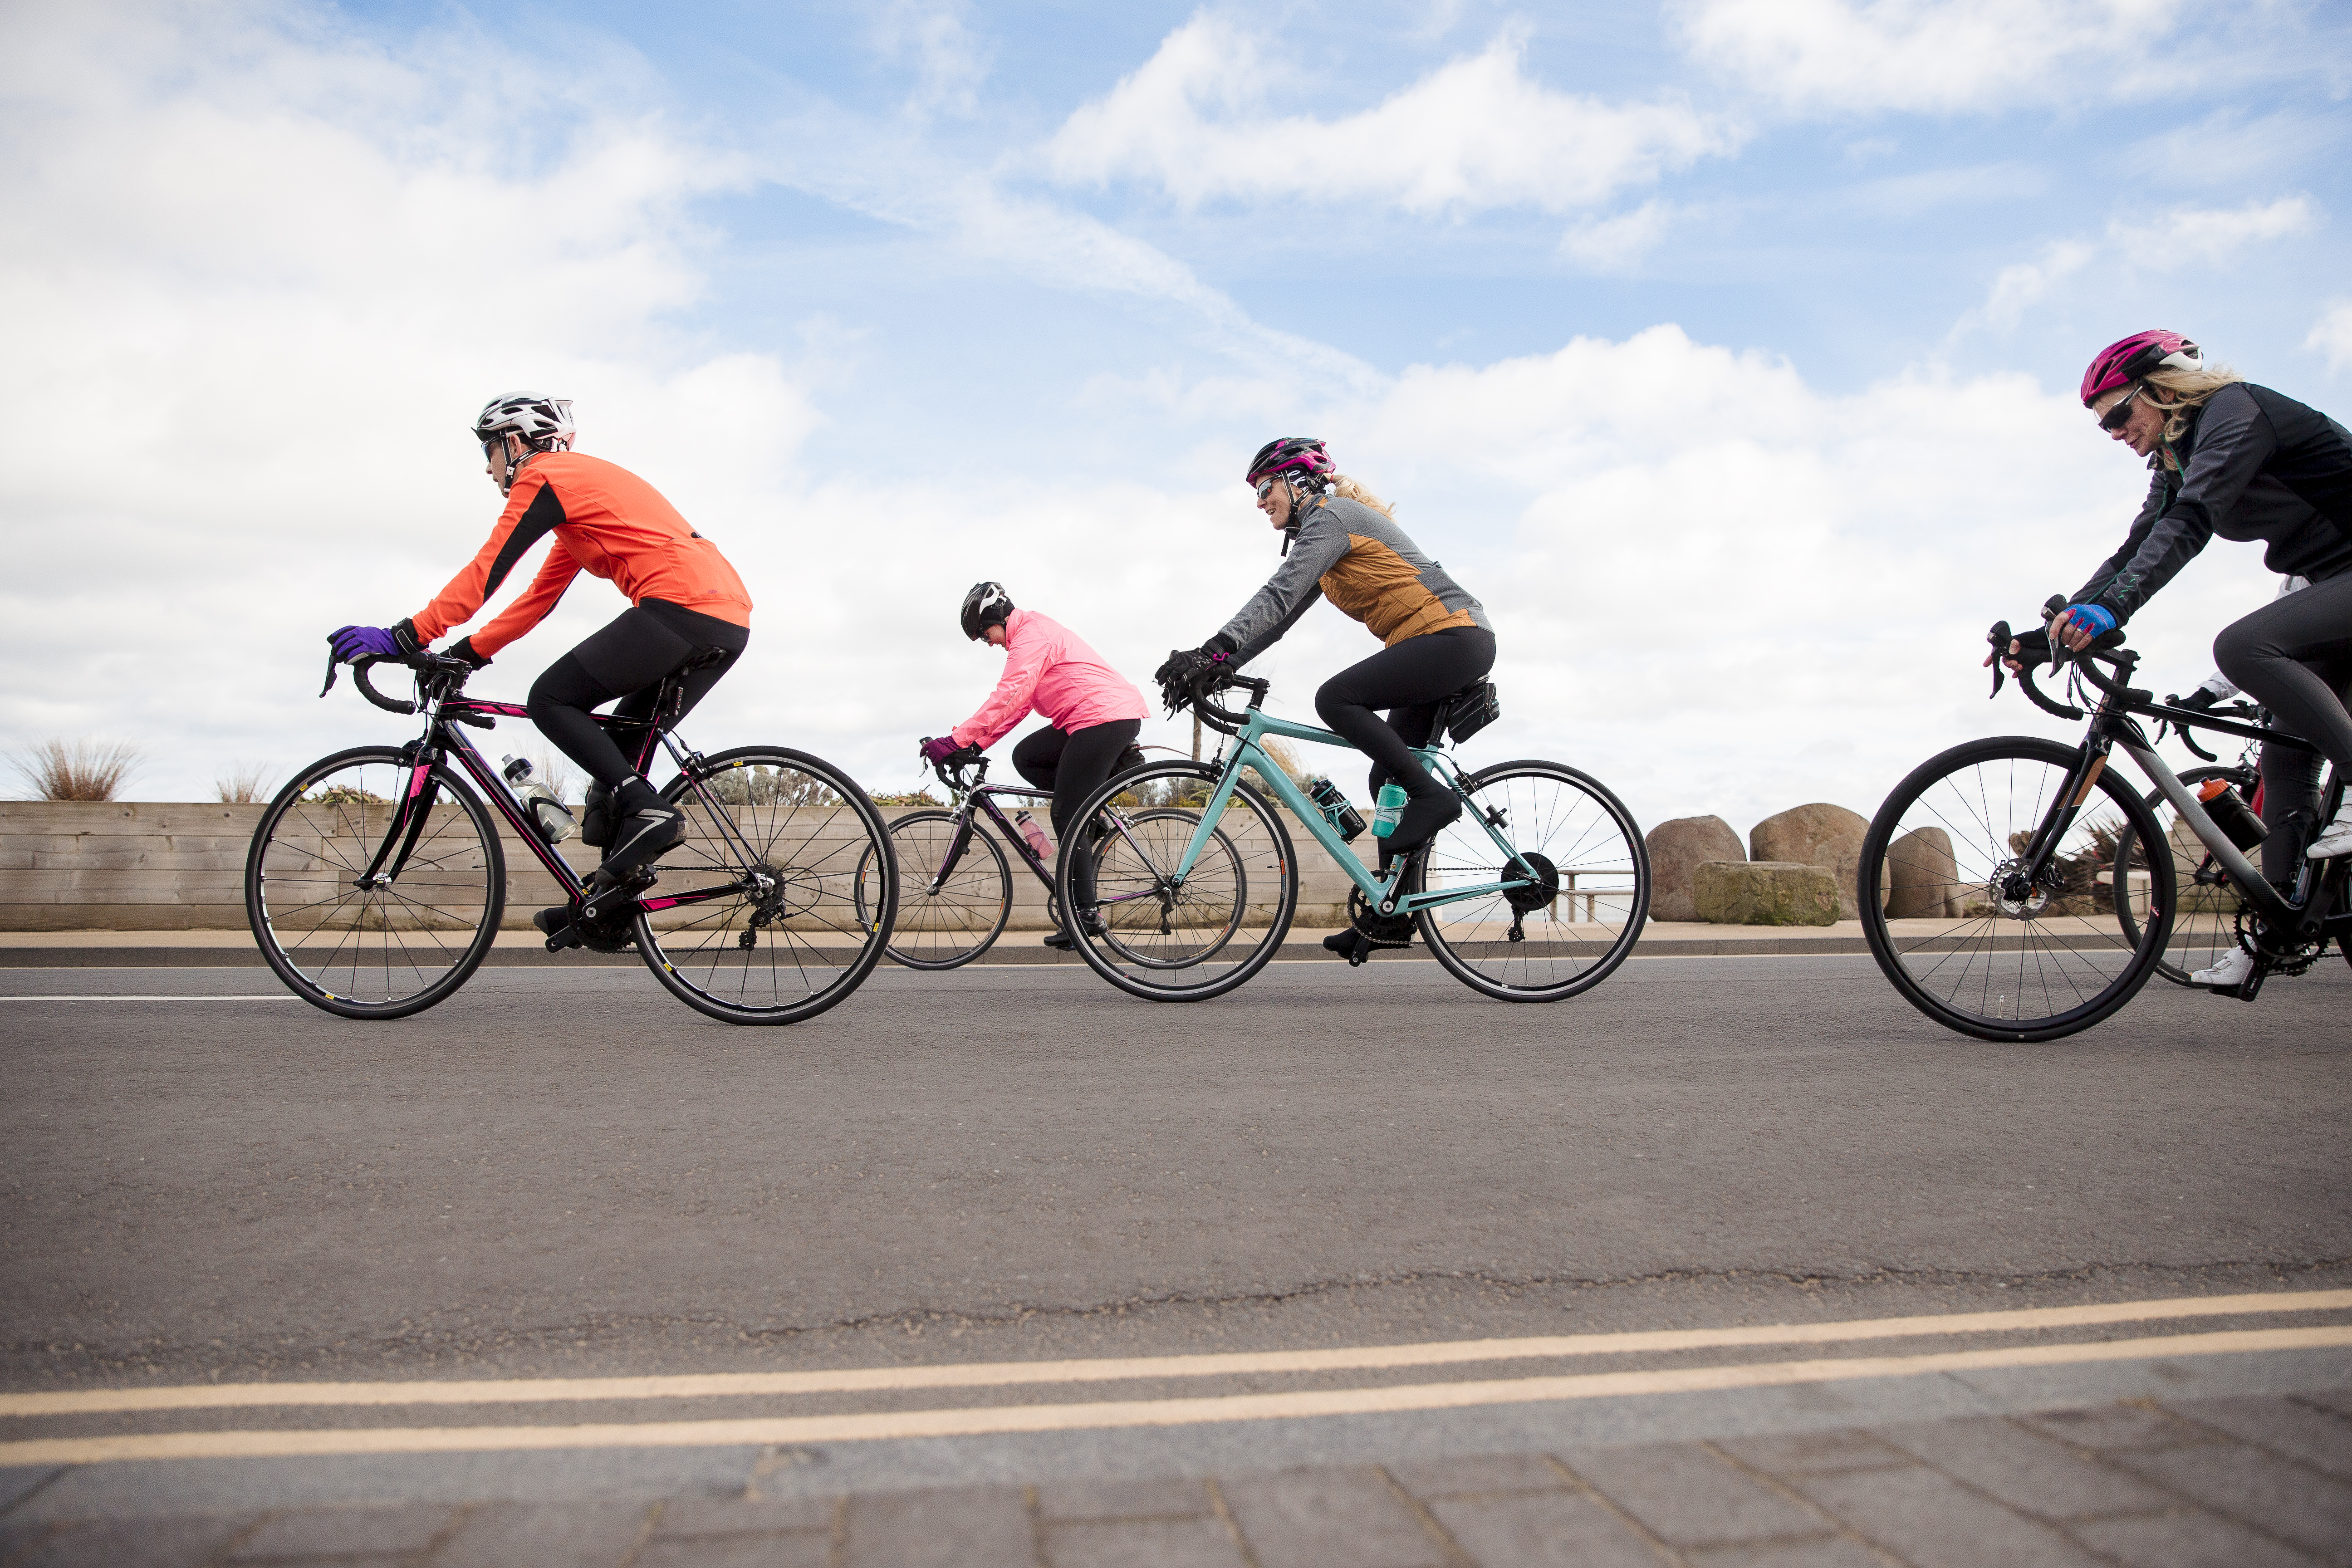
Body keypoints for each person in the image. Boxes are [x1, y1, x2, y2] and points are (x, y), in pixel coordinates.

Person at [1999, 333, 2352, 990]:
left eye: (2117, 416)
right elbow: (2135, 550)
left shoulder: (2236, 412)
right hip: (2329, 586)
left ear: (2162, 391)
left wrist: (2115, 612)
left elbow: (2193, 521)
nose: (2113, 434)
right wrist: (2047, 638)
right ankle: (2277, 934)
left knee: (2243, 646)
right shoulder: (2176, 458)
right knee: (2286, 755)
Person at [328, 392, 754, 935]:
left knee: (551, 700)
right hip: (726, 619)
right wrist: (466, 654)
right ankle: (607, 913)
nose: (488, 467)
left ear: (515, 442)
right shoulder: (580, 497)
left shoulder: (547, 476)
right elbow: (538, 598)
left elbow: (488, 570)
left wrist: (406, 635)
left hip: (679, 607)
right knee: (613, 780)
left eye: (489, 451)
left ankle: (652, 814)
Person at [1154, 437, 1494, 956]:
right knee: (1387, 777)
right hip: (1436, 642)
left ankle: (1435, 799)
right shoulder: (1326, 536)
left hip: (1452, 636)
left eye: (1266, 488)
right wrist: (1221, 665)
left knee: (1336, 698)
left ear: (1297, 481)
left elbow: (1278, 594)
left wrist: (1212, 649)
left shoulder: (1332, 517)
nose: (1260, 501)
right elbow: (1281, 618)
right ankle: (1393, 915)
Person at [919, 583, 1149, 949]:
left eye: (984, 634)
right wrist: (975, 743)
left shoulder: (1031, 634)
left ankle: (1087, 917)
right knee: (1026, 758)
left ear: (996, 617)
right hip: (1087, 719)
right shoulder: (1027, 638)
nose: (987, 642)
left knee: (1066, 814)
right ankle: (1093, 820)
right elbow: (1019, 705)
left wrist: (957, 740)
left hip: (1103, 718)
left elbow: (1010, 692)